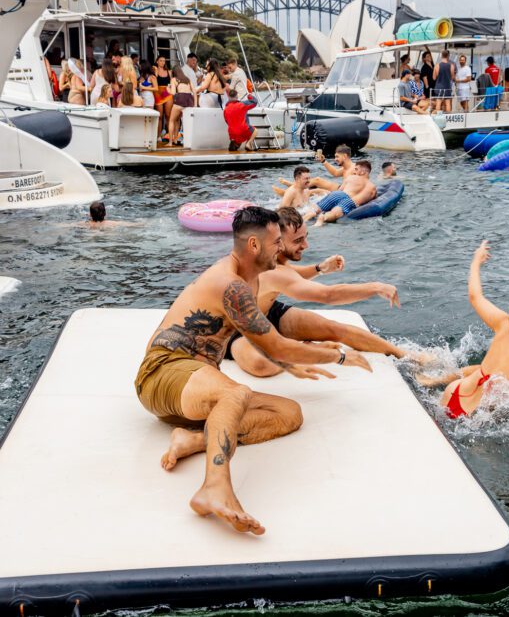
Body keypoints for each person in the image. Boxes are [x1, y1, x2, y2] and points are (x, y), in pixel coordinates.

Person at [134, 207, 372, 535]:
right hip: (163, 372)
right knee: (236, 392)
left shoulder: (250, 279)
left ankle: (192, 440)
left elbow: (260, 338)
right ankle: (214, 488)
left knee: (288, 413)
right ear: (254, 246)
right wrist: (338, 357)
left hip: (194, 388)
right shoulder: (230, 284)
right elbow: (276, 346)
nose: (283, 248)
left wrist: (292, 363)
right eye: (277, 242)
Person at [222, 207, 431, 380]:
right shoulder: (270, 269)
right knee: (261, 364)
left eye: (305, 237)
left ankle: (406, 356)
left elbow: (290, 275)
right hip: (235, 329)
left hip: (267, 313)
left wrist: (320, 268)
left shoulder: (268, 257)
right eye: (297, 241)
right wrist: (376, 287)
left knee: (334, 328)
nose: (306, 245)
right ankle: (302, 348)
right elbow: (327, 295)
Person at [416, 241, 509, 420]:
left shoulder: (505, 323)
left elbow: (475, 296)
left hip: (454, 393)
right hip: (477, 416)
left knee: (484, 370)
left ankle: (436, 380)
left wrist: (476, 261)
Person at [305, 160, 377, 225]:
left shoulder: (351, 177)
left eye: (356, 169)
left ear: (363, 172)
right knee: (334, 214)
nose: (354, 171)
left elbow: (340, 190)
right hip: (350, 201)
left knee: (316, 209)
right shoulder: (372, 188)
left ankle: (306, 217)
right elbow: (372, 199)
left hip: (338, 194)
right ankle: (323, 218)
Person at [167, 65, 196, 146]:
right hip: (189, 100)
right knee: (178, 120)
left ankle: (170, 142)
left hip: (180, 99)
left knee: (172, 120)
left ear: (174, 73)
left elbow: (173, 93)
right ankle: (176, 140)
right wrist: (195, 104)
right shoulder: (187, 79)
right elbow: (194, 91)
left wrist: (168, 89)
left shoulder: (174, 79)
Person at [153, 55, 173, 140]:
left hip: (167, 93)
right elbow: (153, 80)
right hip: (158, 94)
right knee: (159, 116)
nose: (162, 62)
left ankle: (169, 135)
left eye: (164, 61)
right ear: (157, 61)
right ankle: (158, 136)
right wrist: (156, 71)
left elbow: (172, 83)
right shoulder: (154, 70)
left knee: (168, 115)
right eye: (161, 60)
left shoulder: (169, 71)